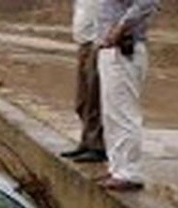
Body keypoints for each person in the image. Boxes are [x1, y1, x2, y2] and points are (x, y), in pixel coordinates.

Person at [96, 0, 159, 191]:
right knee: (111, 114)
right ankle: (117, 168)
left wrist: (120, 27)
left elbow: (149, 2)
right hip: (111, 50)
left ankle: (128, 173)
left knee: (123, 113)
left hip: (123, 49)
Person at [61, 0, 107, 163]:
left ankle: (98, 146)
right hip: (83, 44)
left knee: (94, 99)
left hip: (97, 44)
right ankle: (86, 142)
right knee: (82, 101)